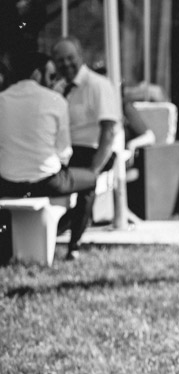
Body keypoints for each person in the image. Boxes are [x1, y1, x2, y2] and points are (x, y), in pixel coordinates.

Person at [52, 37, 121, 261]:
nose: (66, 64)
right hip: (63, 152)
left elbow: (108, 130)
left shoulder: (98, 85)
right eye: (60, 60)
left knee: (86, 187)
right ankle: (46, 233)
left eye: (70, 58)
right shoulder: (58, 89)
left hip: (94, 150)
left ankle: (74, 245)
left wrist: (94, 169)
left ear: (81, 56)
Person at [0, 50, 98, 201]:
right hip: (47, 181)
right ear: (37, 74)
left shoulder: (2, 100)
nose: (53, 82)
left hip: (7, 183)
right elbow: (64, 153)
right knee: (92, 178)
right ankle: (75, 225)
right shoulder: (56, 100)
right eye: (51, 76)